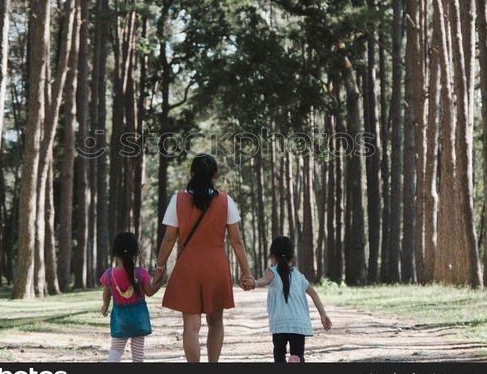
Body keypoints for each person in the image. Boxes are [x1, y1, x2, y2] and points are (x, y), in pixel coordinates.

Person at [153, 153, 254, 362]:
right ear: (215, 174)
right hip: (216, 268)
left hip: (187, 268)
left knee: (191, 327)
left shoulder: (178, 200)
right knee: (216, 321)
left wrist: (160, 267)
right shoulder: (226, 201)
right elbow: (237, 241)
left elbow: (169, 239)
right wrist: (246, 272)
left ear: (191, 173)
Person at [247, 235, 332, 362]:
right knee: (298, 354)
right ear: (292, 257)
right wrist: (323, 314)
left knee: (279, 354)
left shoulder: (272, 271)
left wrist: (254, 283)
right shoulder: (298, 275)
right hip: (298, 323)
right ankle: (296, 359)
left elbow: (265, 280)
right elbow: (313, 293)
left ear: (272, 255)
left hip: (280, 323)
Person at [100, 232, 162, 362]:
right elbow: (150, 292)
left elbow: (106, 295)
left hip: (119, 318)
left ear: (114, 253)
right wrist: (159, 283)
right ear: (135, 253)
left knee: (116, 348)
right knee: (138, 350)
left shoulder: (109, 274)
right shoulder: (141, 273)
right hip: (139, 318)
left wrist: (105, 307)